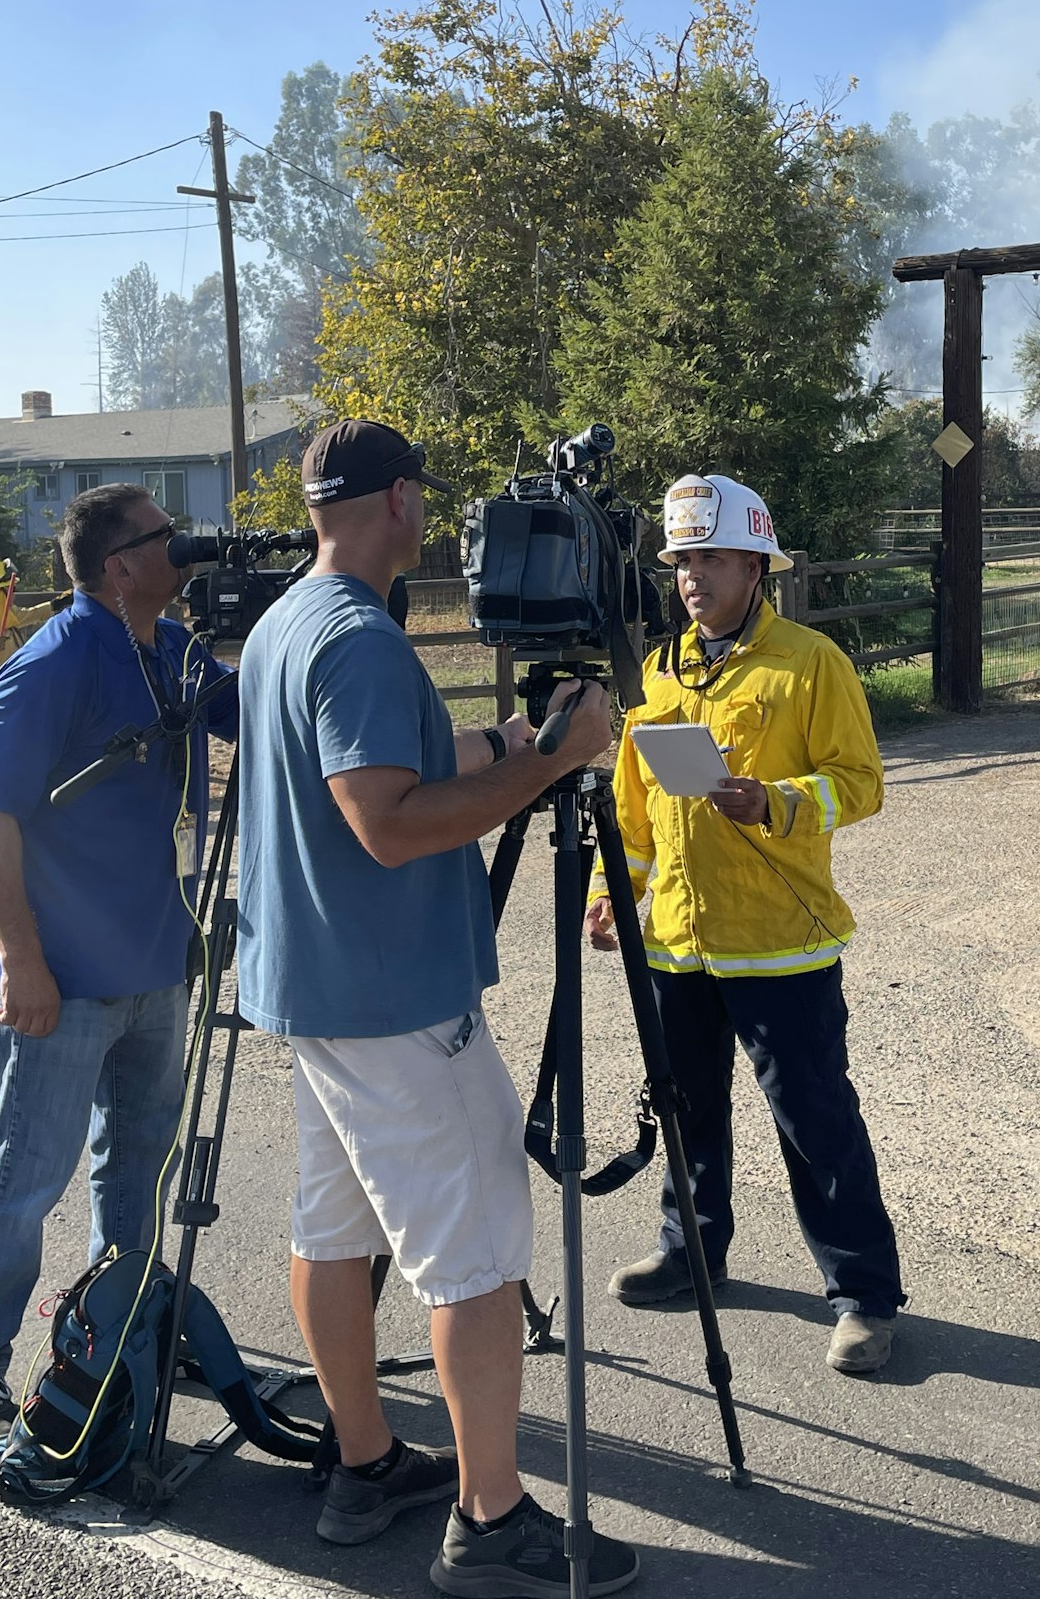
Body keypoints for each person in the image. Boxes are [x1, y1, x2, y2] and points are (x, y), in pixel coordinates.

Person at [236, 417, 639, 1593]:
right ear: (403, 498)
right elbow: (389, 819)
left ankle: (366, 1465)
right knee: (476, 1251)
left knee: (336, 1227)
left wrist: (509, 738)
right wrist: (557, 764)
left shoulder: (286, 621)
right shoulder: (360, 634)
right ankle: (491, 1518)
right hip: (394, 997)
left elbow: (385, 756)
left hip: (316, 988)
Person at [585, 473, 904, 1375]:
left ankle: (864, 1297)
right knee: (685, 1113)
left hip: (781, 944)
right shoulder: (658, 669)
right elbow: (635, 803)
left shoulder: (810, 663)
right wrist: (618, 888)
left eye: (713, 558)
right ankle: (691, 1256)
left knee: (813, 1121)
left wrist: (774, 802)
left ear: (758, 566)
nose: (693, 577)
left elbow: (862, 783)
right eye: (683, 561)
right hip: (679, 944)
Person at [0, 485, 236, 1454]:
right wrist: (21, 957)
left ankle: (119, 1333)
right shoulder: (53, 660)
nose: (182, 544)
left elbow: (254, 709)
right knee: (27, 1175)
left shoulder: (173, 646)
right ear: (119, 565)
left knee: (138, 1180)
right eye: (166, 535)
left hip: (157, 963)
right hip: (60, 980)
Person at [0, 559, 67, 777]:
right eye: (10, 589)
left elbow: (32, 614)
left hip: (3, 686)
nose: (13, 593)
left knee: (5, 732)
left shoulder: (8, 615)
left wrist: (59, 603)